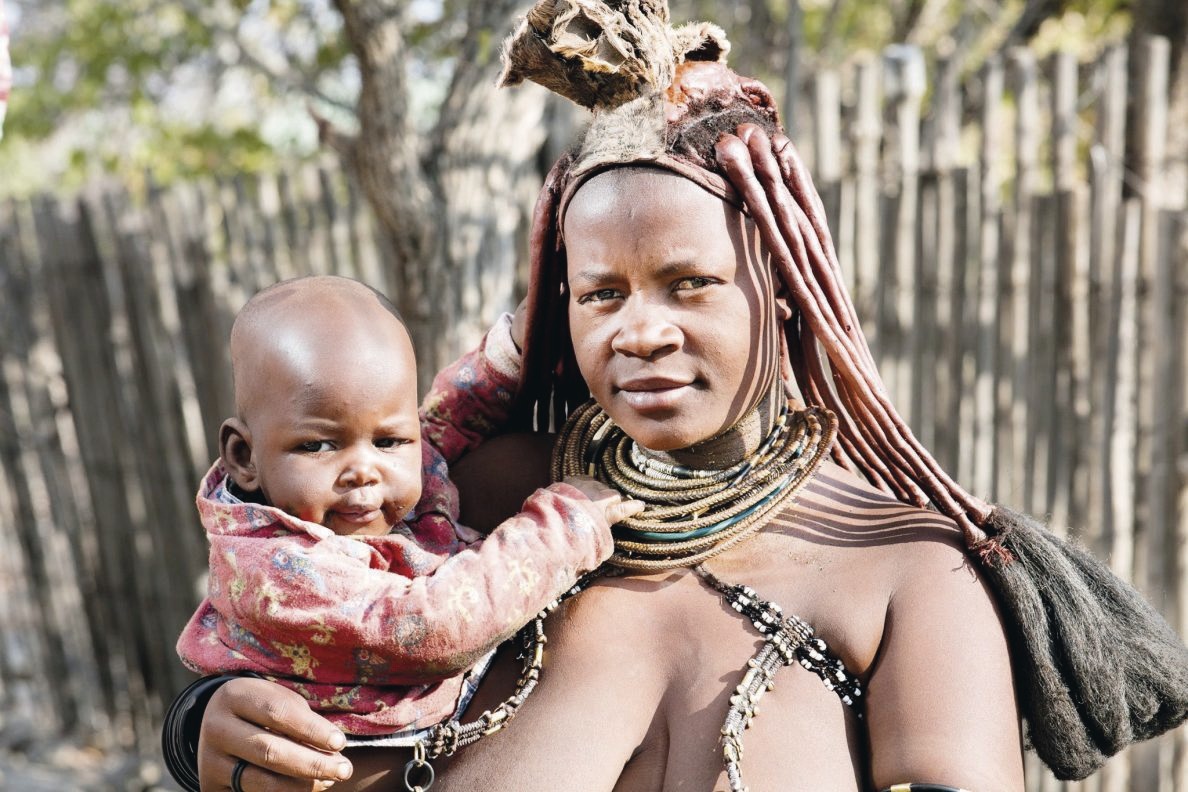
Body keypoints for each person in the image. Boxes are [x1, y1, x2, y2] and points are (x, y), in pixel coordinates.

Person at [168, 3, 1188, 791]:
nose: (639, 330)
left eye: (689, 283)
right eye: (600, 293)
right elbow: (298, 628)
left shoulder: (910, 574)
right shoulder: (479, 501)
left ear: (782, 290)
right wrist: (209, 722)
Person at [166, 276, 641, 788]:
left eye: (389, 441)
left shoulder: (374, 483)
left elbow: (443, 424)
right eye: (318, 446)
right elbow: (429, 628)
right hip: (349, 762)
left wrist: (511, 352)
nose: (363, 471)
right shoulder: (278, 566)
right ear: (244, 456)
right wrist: (561, 528)